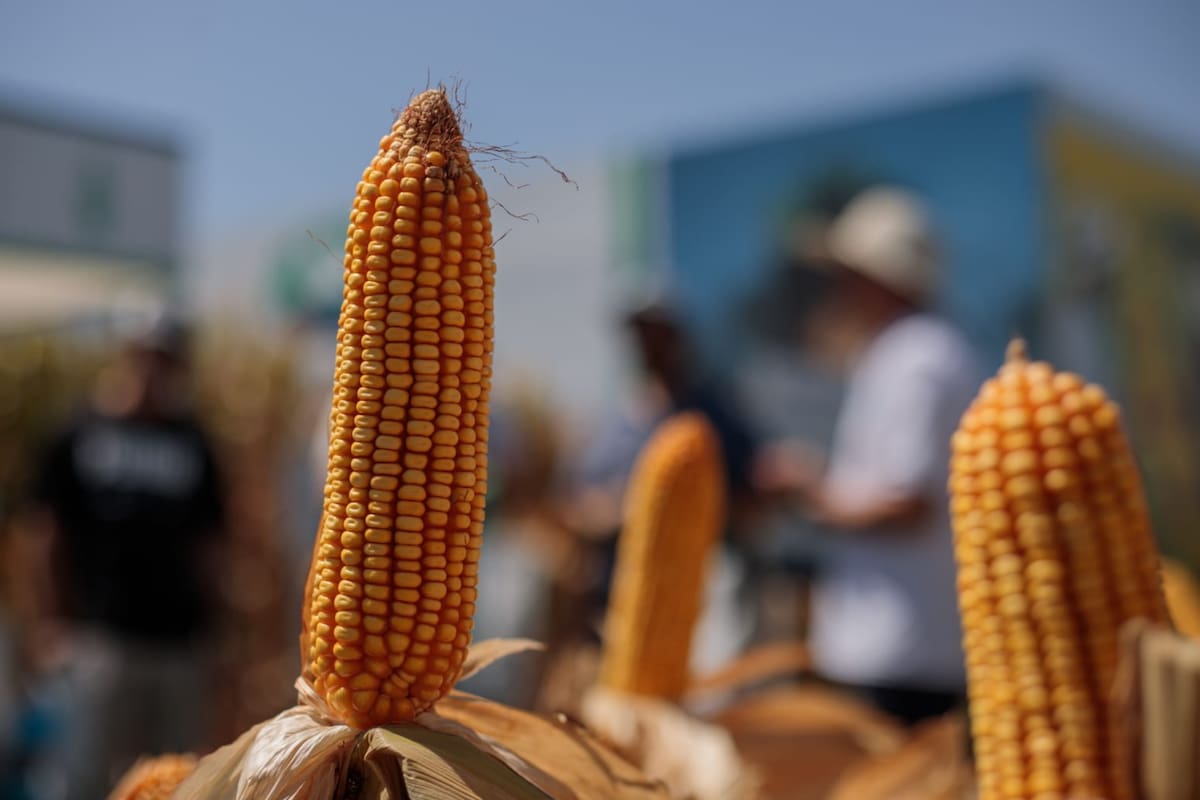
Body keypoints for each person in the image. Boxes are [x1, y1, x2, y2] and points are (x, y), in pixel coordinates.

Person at [754, 186, 985, 726]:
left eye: (847, 274)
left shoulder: (917, 357)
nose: (838, 288)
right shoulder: (917, 350)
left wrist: (809, 490)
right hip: (900, 644)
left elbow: (905, 503)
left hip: (900, 651)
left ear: (876, 278)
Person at [23, 315, 225, 798]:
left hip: (179, 643)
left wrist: (221, 633)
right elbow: (44, 533)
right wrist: (48, 619)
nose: (154, 371)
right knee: (87, 775)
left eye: (166, 360)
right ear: (126, 356)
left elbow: (211, 545)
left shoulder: (192, 440)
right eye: (146, 356)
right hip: (101, 640)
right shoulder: (82, 430)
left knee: (177, 781)